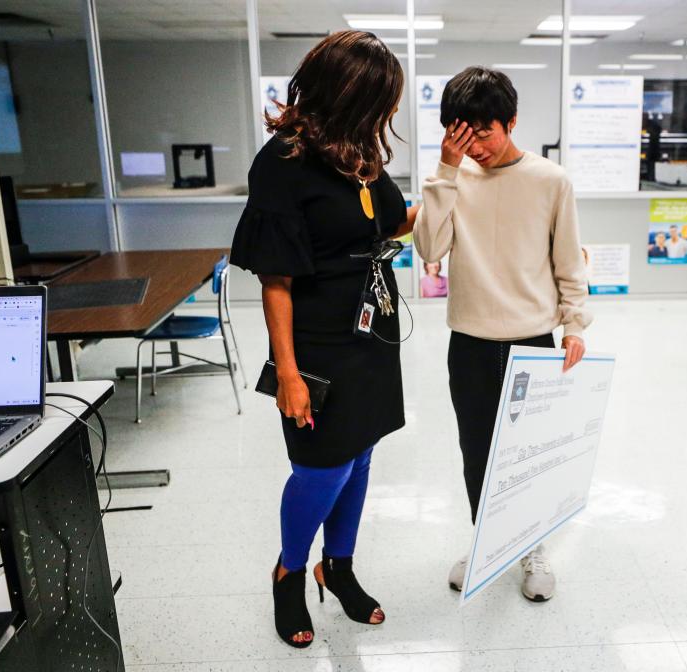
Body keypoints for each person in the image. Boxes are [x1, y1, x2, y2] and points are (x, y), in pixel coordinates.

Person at [229, 31, 417, 648]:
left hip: (370, 332)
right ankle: (288, 571)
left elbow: (394, 222)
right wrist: (287, 373)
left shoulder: (358, 152)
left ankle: (337, 568)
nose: (384, 118)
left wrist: (455, 182)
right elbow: (275, 281)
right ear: (347, 95)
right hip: (315, 342)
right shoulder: (282, 162)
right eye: (378, 103)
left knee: (360, 455)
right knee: (321, 466)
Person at [413, 67, 593, 602]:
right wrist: (446, 169)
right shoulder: (454, 178)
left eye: (483, 133)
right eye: (460, 135)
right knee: (478, 452)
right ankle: (489, 540)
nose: (475, 147)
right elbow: (428, 251)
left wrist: (575, 324)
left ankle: (532, 547)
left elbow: (568, 260)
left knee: (528, 454)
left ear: (511, 122)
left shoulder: (550, 181)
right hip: (468, 340)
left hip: (532, 342)